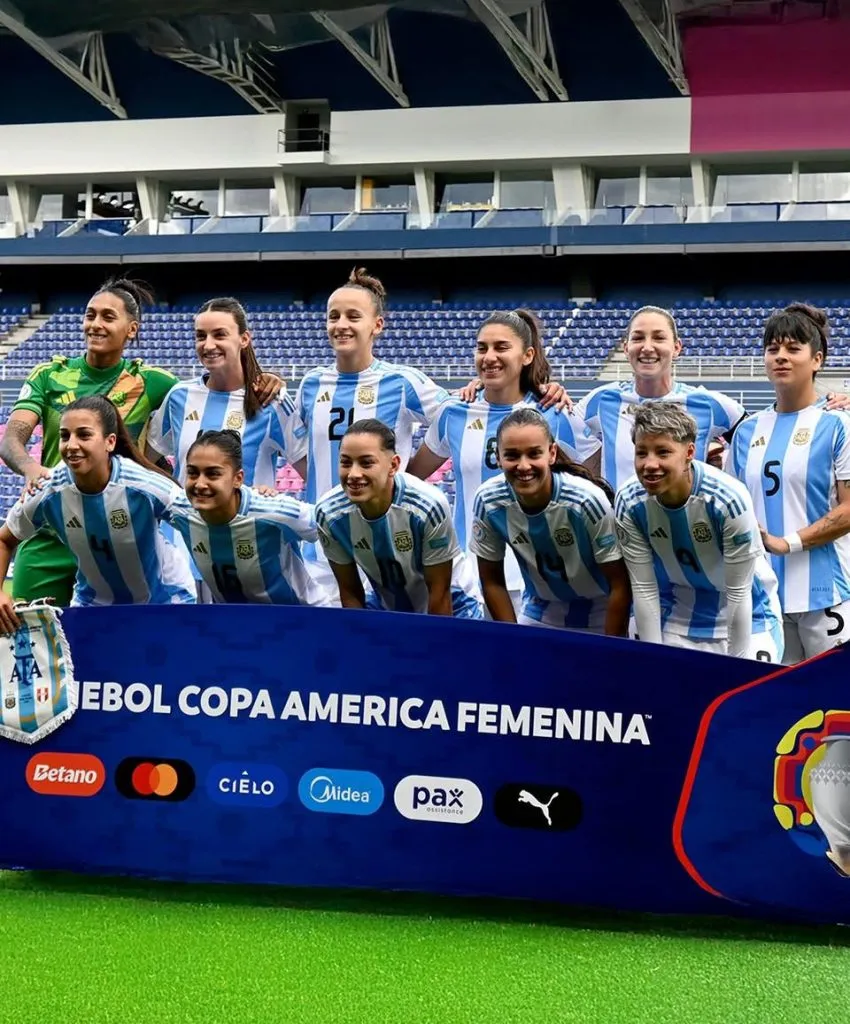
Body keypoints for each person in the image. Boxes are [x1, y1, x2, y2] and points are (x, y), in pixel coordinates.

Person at [0, 280, 282, 607]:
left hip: (119, 541)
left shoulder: (156, 383)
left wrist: (264, 380)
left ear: (131, 329)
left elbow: (213, 389)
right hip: (48, 533)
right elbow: (11, 440)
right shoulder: (48, 375)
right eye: (90, 315)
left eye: (108, 316)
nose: (95, 324)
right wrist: (34, 471)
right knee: (36, 645)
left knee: (109, 643)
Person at [407, 308, 598, 607]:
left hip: (539, 577)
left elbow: (597, 479)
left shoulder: (555, 413)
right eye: (482, 348)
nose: (489, 356)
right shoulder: (453, 411)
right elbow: (409, 478)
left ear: (527, 355)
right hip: (468, 575)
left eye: (501, 347)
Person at [0, 396, 195, 630]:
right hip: (93, 606)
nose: (71, 445)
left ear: (110, 442)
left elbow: (203, 522)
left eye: (84, 435)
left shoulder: (143, 485)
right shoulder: (48, 489)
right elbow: (4, 539)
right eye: (65, 436)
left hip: (164, 601)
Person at [728, 303, 850, 664]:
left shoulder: (838, 424)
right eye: (773, 348)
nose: (781, 357)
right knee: (775, 709)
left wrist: (787, 544)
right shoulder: (746, 432)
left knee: (836, 704)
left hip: (826, 593)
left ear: (817, 360)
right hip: (764, 597)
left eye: (793, 348)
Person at [615, 402, 784, 662]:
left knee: (744, 698)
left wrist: (735, 666)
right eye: (641, 453)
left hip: (748, 617)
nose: (649, 464)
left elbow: (739, 592)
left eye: (663, 452)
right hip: (673, 616)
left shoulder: (727, 499)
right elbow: (644, 587)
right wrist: (652, 659)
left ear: (689, 452)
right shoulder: (628, 500)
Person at [470, 407, 631, 634]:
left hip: (602, 613)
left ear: (552, 453)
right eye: (512, 456)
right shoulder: (488, 500)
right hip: (540, 611)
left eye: (534, 454)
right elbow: (492, 581)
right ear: (498, 457)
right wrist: (514, 640)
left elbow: (620, 584)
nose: (523, 466)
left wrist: (612, 648)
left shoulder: (586, 500)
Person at [315, 419, 482, 618]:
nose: (353, 474)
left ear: (393, 465)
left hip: (454, 604)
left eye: (366, 463)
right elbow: (350, 592)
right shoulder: (328, 513)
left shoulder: (427, 506)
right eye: (345, 462)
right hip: (386, 605)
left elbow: (440, 593)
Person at [575, 306, 748, 495]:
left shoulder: (708, 404)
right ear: (626, 348)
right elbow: (559, 437)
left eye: (658, 337)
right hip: (620, 523)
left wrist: (723, 472)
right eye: (638, 338)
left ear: (676, 348)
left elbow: (753, 439)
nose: (647, 347)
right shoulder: (601, 400)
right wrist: (550, 392)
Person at [163, 429, 331, 607]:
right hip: (237, 623)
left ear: (238, 479)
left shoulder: (274, 511)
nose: (200, 484)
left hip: (301, 618)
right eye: (193, 473)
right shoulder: (180, 509)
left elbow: (333, 522)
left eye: (213, 474)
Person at [145, 297, 296, 488]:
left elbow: (313, 470)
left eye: (219, 335)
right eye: (201, 336)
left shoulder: (272, 400)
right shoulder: (179, 396)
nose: (208, 345)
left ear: (244, 339)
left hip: (247, 519)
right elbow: (144, 462)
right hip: (185, 518)